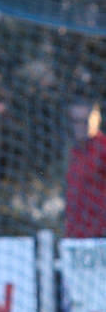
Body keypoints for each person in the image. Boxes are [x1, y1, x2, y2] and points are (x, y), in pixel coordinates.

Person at [64, 99, 106, 238]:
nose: (81, 126)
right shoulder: (74, 152)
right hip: (78, 234)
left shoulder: (103, 148)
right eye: (76, 121)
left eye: (85, 120)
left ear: (97, 119)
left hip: (100, 236)